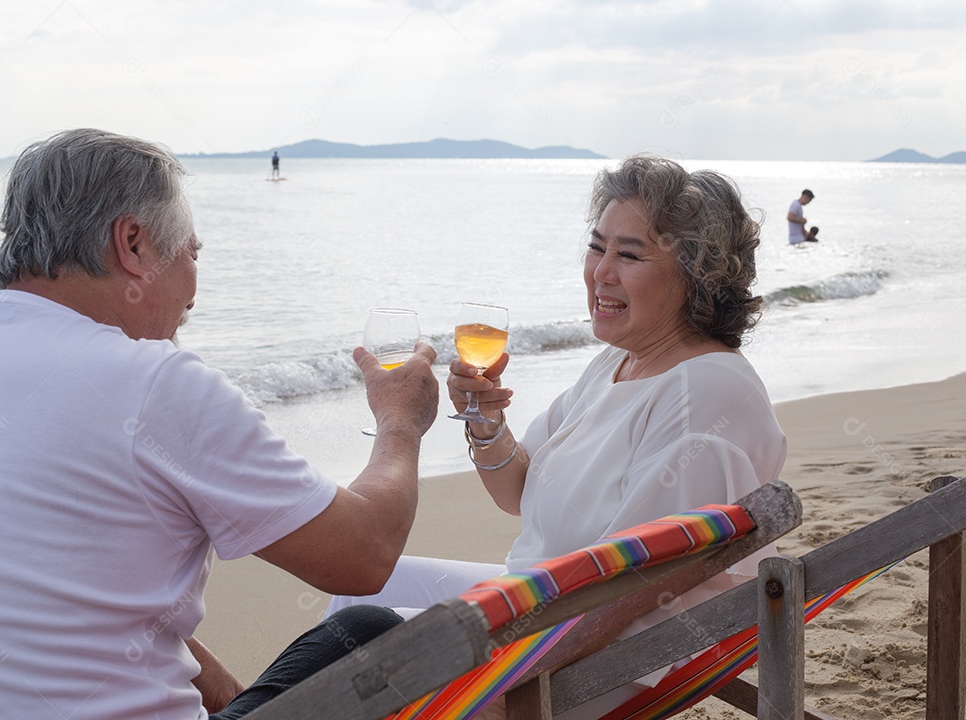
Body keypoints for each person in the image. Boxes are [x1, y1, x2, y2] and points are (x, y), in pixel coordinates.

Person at [0, 129, 439, 719]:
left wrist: (233, 697)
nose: (193, 297)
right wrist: (399, 419)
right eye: (192, 254)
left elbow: (51, 598)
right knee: (373, 630)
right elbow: (365, 555)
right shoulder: (153, 383)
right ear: (133, 244)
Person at [326, 155, 787, 717]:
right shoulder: (617, 363)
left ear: (697, 276)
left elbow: (638, 589)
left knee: (355, 649)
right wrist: (483, 419)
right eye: (597, 247)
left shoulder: (706, 393)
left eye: (630, 254)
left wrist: (503, 671)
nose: (602, 272)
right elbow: (518, 492)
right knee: (359, 590)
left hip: (594, 657)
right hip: (539, 600)